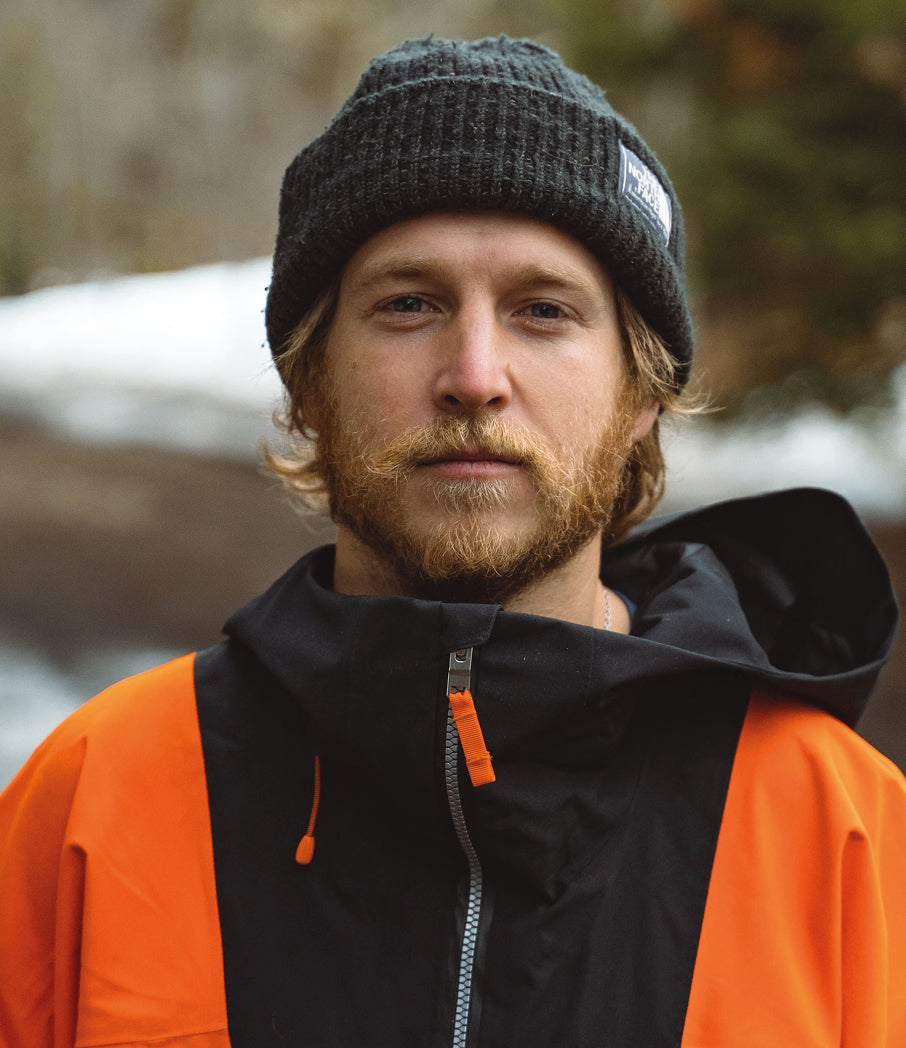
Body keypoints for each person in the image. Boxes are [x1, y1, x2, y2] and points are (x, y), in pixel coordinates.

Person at [0, 35, 903, 1048]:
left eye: (543, 310)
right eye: (409, 304)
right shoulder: (91, 805)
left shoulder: (850, 840)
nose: (474, 375)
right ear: (308, 377)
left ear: (642, 391)